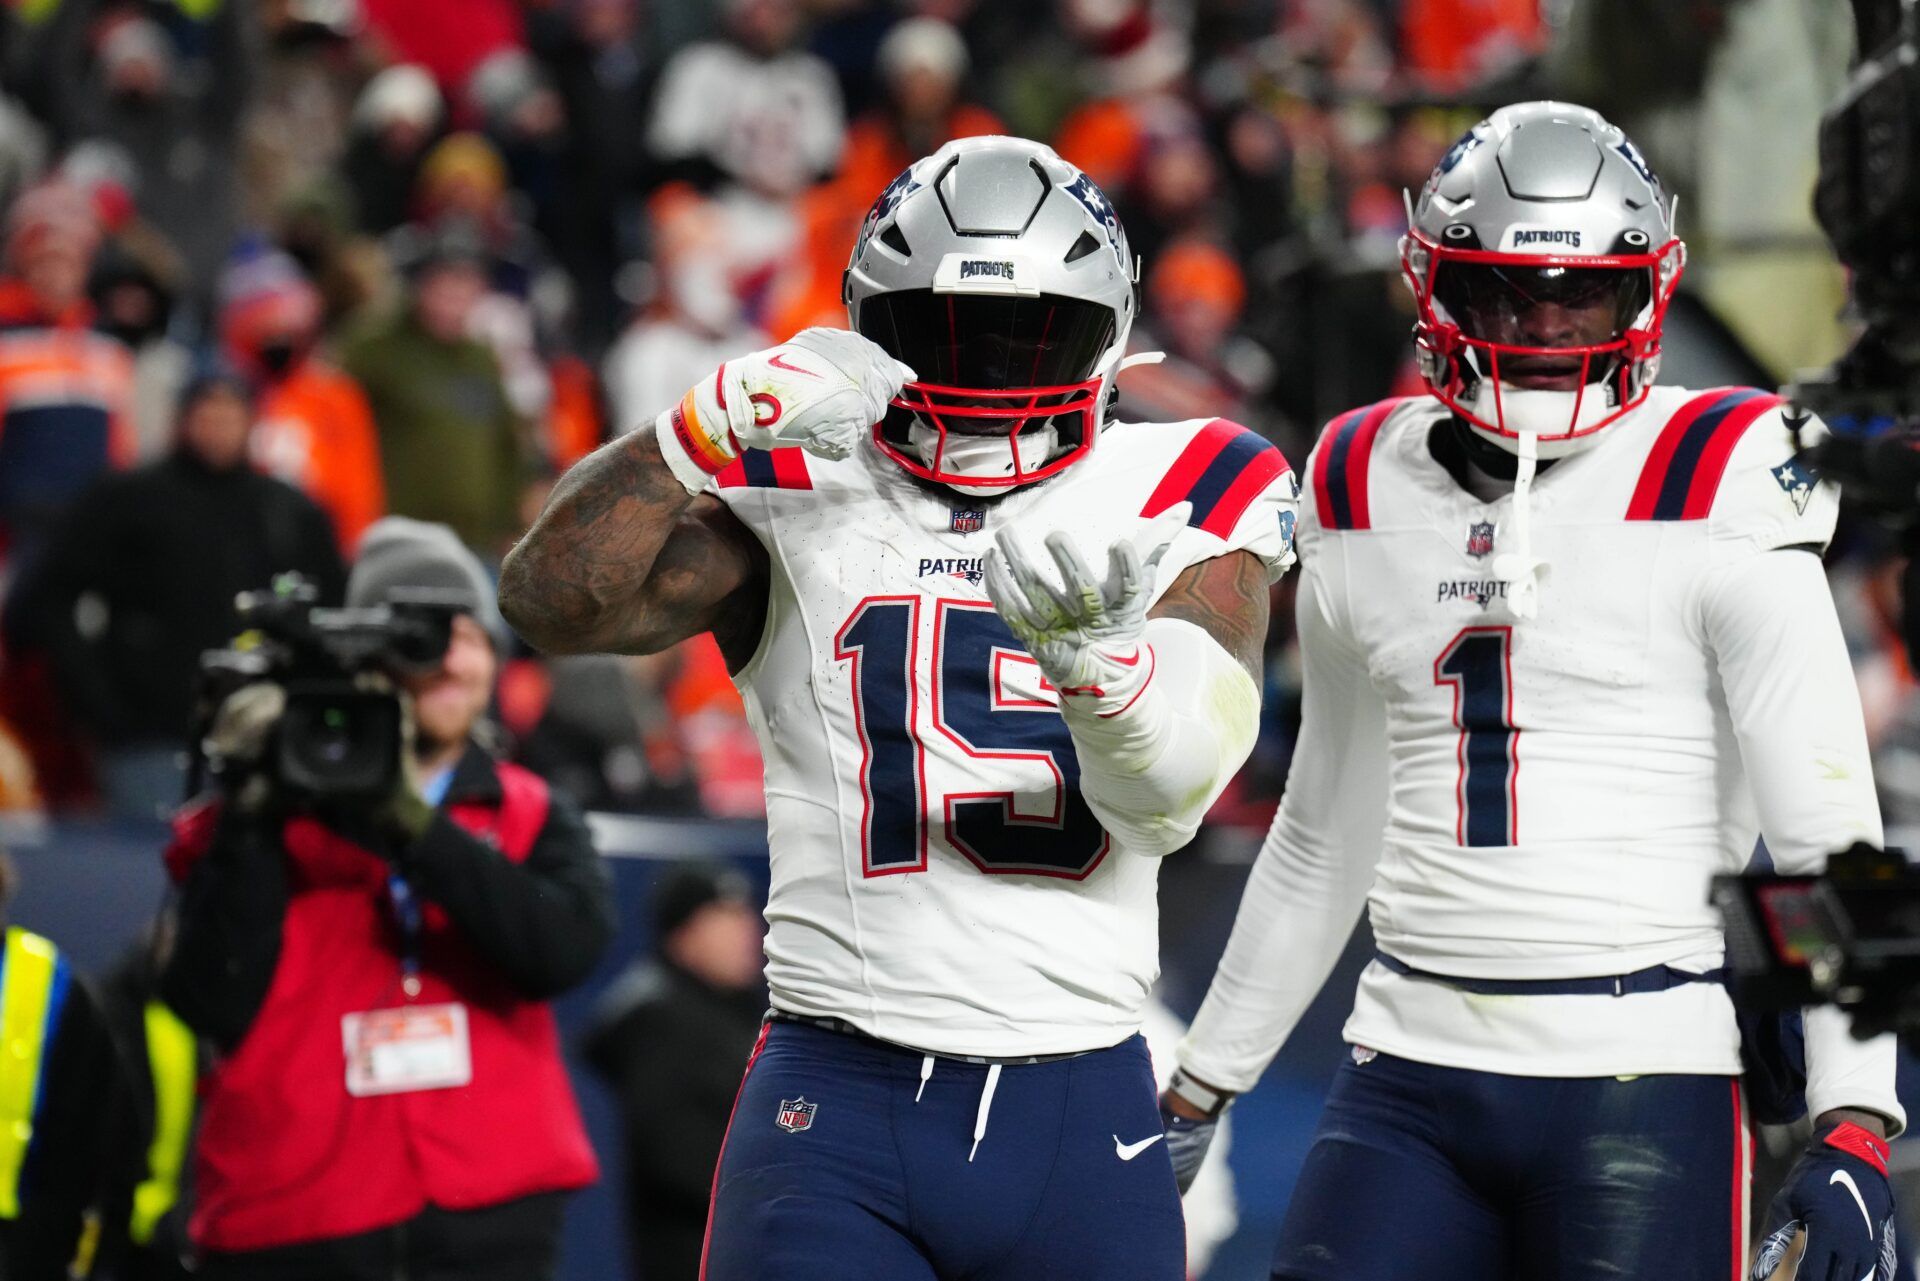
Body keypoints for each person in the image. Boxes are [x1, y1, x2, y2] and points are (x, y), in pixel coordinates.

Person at [501, 134, 1298, 1279]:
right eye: (946, 333)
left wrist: (1098, 674)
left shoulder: (1191, 480)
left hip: (1072, 1091)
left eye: (1032, 336)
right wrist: (691, 434)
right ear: (870, 326)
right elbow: (549, 604)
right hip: (838, 1090)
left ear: (1108, 332)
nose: (988, 377)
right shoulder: (799, 478)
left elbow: (1171, 789)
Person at [1161, 102, 1905, 1281]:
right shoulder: (1360, 475)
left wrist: (1857, 1116)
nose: (1547, 330)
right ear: (1434, 289)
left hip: (1644, 1072)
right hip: (1402, 1067)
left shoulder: (1727, 470)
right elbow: (1321, 833)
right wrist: (1201, 1082)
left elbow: (1823, 843)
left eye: (1580, 296)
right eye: (1507, 296)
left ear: (1644, 294)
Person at [159, 516, 614, 1279]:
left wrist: (408, 817)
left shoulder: (530, 809)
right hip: (294, 1216)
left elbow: (562, 953)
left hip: (490, 1212)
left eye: (468, 633)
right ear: (361, 655)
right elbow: (209, 997)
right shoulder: (261, 806)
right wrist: (250, 806)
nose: (447, 658)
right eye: (418, 634)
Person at [10, 373, 345, 818]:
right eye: (207, 414)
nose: (218, 428)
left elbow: (332, 614)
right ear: (181, 419)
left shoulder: (289, 511)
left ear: (253, 422)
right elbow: (45, 599)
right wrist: (99, 703)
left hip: (264, 736)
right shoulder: (127, 498)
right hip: (149, 735)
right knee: (146, 871)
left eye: (231, 415)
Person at [583, 862, 766, 1281]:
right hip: (690, 1252)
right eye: (721, 920)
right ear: (683, 935)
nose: (743, 934)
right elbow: (675, 1155)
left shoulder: (736, 1010)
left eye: (744, 917)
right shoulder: (659, 1018)